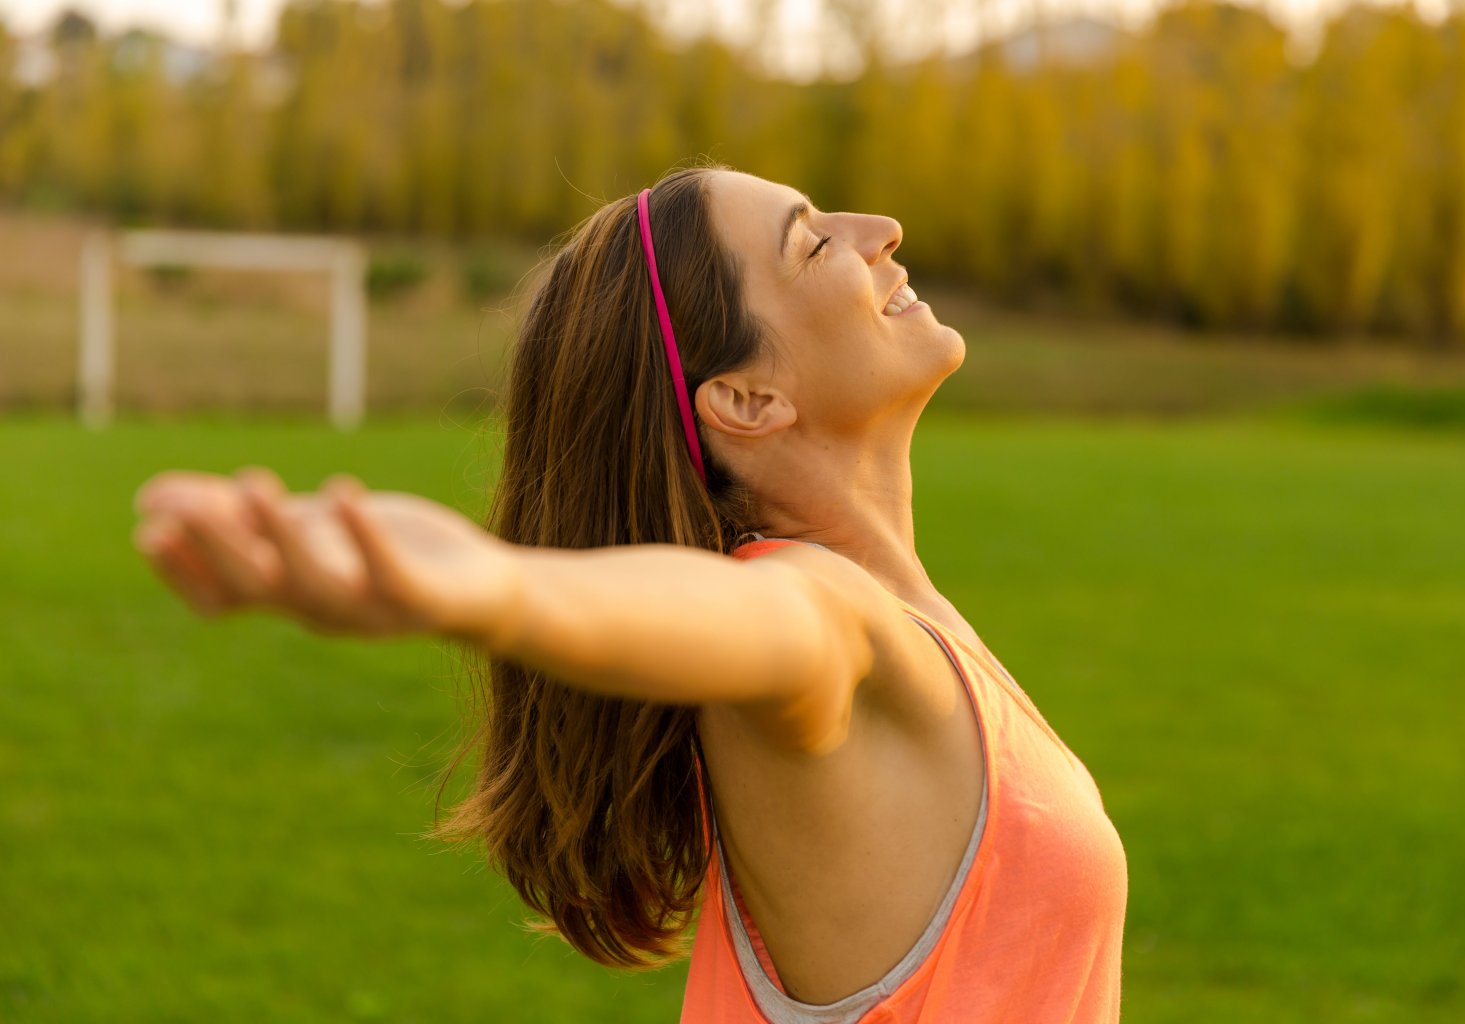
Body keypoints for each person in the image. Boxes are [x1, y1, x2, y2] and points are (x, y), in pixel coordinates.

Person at [132, 164, 1128, 1022]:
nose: (879, 232)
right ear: (747, 398)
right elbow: (743, 618)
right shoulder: (816, 607)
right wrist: (494, 588)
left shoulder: (903, 622)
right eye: (813, 244)